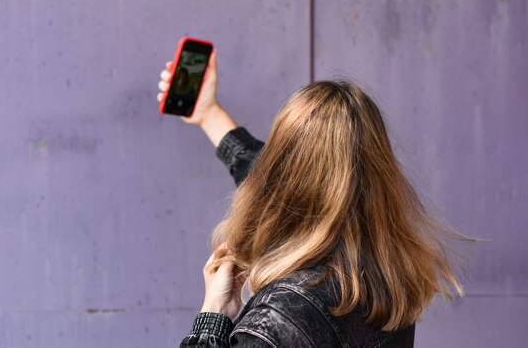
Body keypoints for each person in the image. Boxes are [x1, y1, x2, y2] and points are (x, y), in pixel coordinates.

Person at [157, 50, 464, 347]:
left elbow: (274, 181)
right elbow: (264, 173)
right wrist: (210, 114)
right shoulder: (385, 278)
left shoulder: (276, 321)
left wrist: (212, 316)